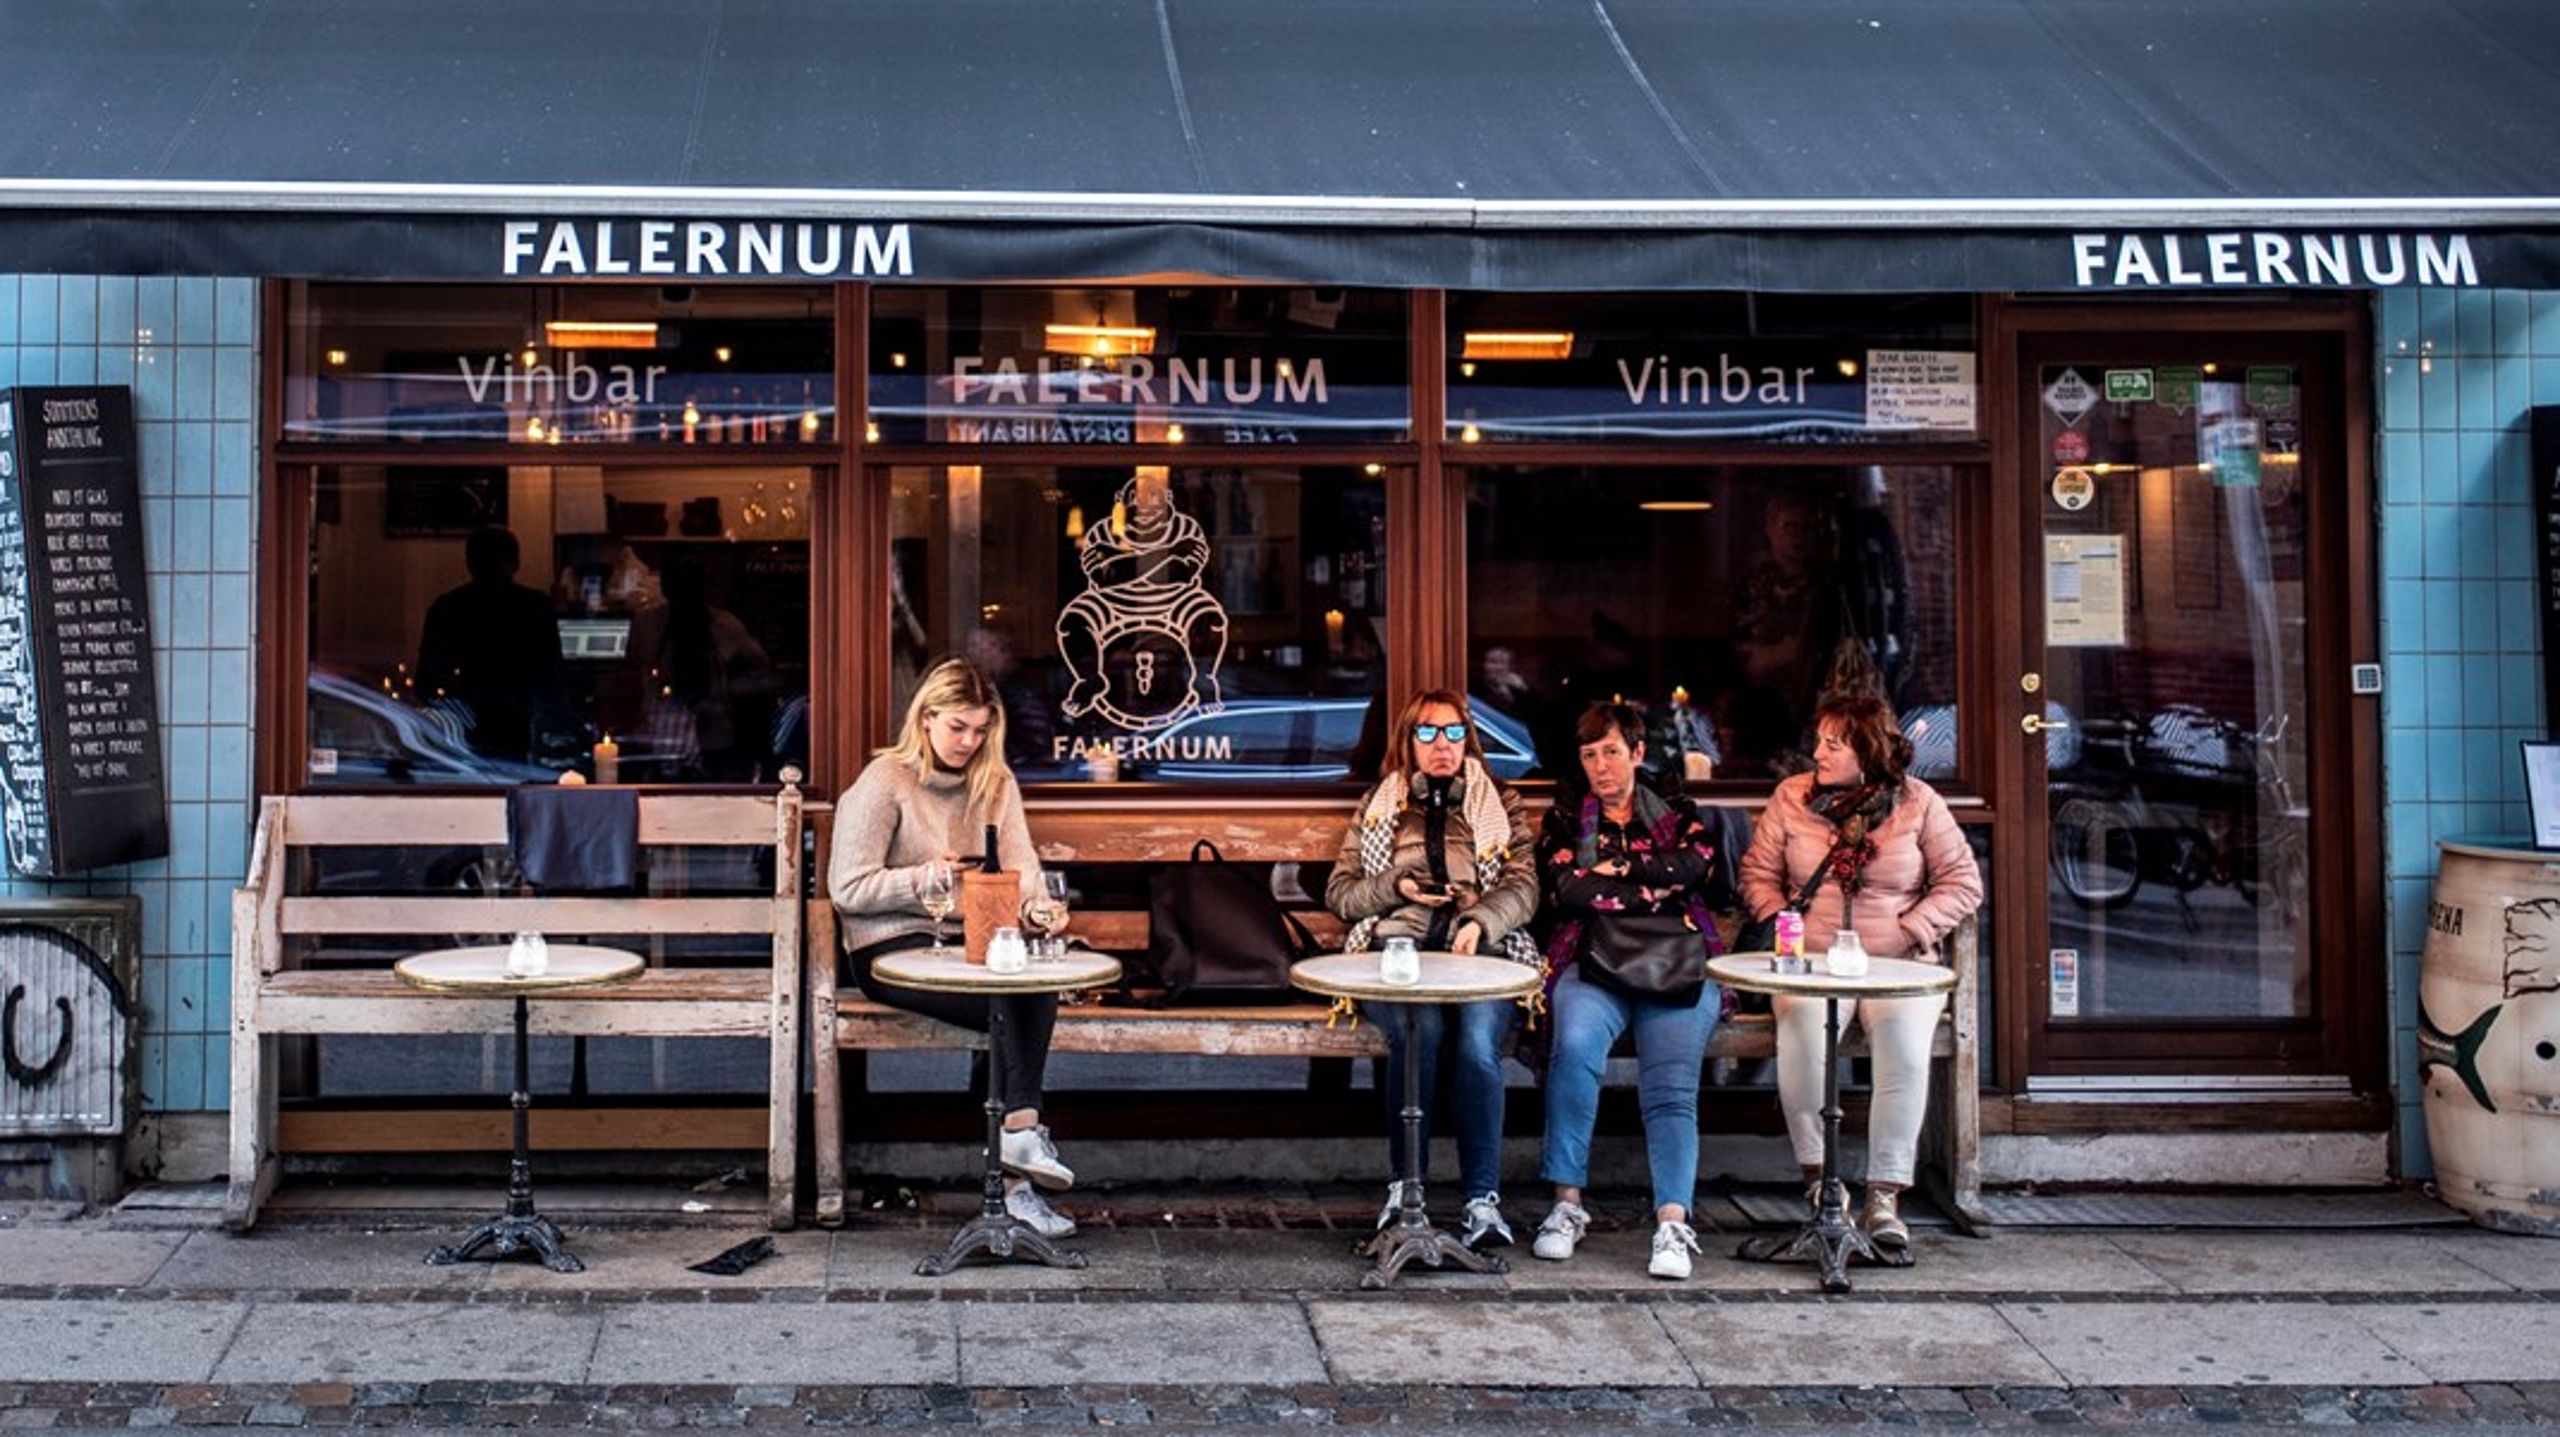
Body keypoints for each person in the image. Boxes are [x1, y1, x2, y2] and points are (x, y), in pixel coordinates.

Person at [828, 658, 1077, 1239]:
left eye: (981, 729)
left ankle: (1016, 1152)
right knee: (1007, 1005)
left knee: (1030, 988)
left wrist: (1040, 911)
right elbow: (847, 888)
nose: (970, 741)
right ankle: (1019, 1168)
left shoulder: (996, 783)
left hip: (972, 942)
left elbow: (1023, 869)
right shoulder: (884, 781)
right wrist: (919, 879)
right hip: (888, 946)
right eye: (958, 727)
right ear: (926, 718)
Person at [1738, 689, 1983, 1251]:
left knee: (1902, 1046)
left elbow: (1963, 883)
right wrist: (1783, 924)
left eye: (1834, 744)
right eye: (1818, 742)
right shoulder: (1792, 798)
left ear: (1868, 752)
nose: (1819, 754)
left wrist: (1912, 928)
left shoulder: (1918, 803)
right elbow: (1757, 874)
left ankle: (1884, 1196)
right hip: (1814, 960)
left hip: (1898, 964)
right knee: (1801, 1036)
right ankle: (1820, 1182)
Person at [1325, 688, 1541, 1249]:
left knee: (1475, 1044)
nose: (1440, 745)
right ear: (1408, 741)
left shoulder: (1500, 801)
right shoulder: (1381, 804)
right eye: (1427, 733)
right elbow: (1341, 895)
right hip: (1396, 955)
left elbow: (1523, 885)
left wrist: (1482, 921)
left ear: (1467, 738)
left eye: (1451, 732)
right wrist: (1394, 888)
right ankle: (1405, 1188)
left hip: (1480, 957)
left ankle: (1481, 1199)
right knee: (1417, 1033)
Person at [1529, 702, 1727, 1280]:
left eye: (1611, 752)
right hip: (1593, 961)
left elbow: (1698, 865)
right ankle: (1566, 1205)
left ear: (1637, 753)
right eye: (1589, 755)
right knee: (1575, 1052)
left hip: (1675, 963)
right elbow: (1567, 886)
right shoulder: (1568, 816)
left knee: (1670, 1086)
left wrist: (1616, 878)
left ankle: (1671, 1220)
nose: (1600, 766)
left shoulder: (1677, 809)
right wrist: (1652, 886)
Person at [415, 526, 561, 761]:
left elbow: (426, 682)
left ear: (469, 563)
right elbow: (553, 679)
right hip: (520, 719)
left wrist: (456, 706)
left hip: (466, 723)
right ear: (515, 563)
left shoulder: (448, 608)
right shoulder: (536, 606)